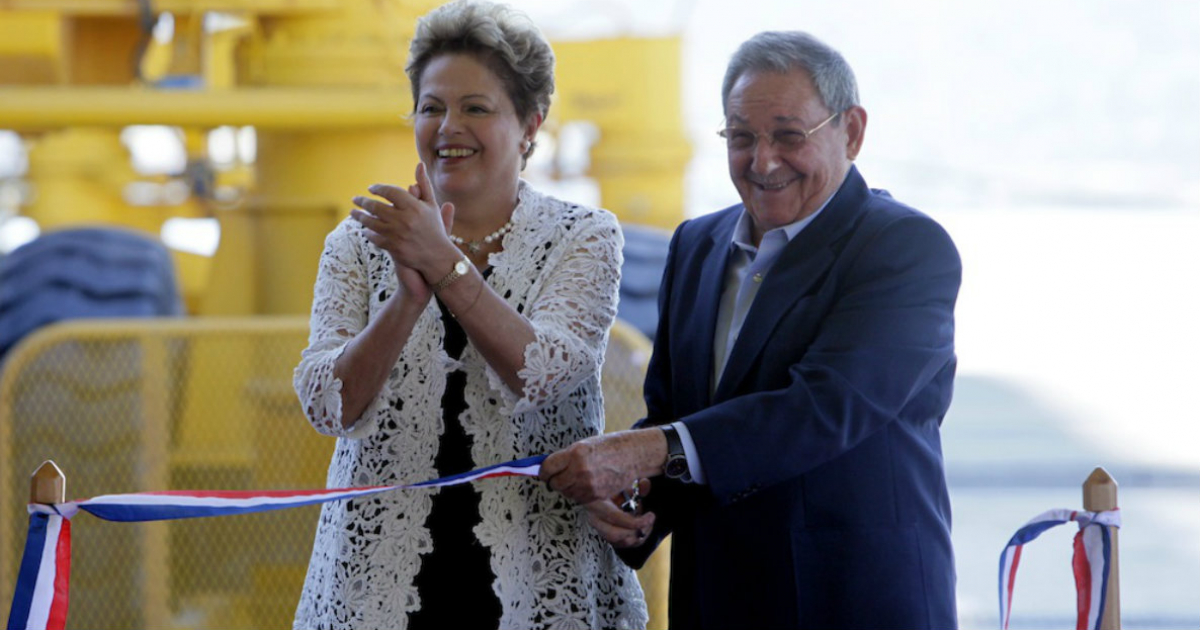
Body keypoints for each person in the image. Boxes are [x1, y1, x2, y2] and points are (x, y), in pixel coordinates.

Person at [540, 30, 961, 629]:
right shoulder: (696, 245)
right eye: (741, 137)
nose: (763, 161)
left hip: (850, 602)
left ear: (853, 131)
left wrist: (645, 451)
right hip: (715, 601)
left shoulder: (904, 248)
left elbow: (824, 406)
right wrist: (633, 505)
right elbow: (674, 413)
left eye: (789, 136)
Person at [291, 2, 647, 628]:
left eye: (476, 108)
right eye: (431, 107)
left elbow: (541, 373)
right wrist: (405, 300)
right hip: (376, 589)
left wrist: (445, 265)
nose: (447, 126)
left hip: (540, 583)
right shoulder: (357, 241)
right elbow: (329, 406)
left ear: (531, 124)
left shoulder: (583, 236)